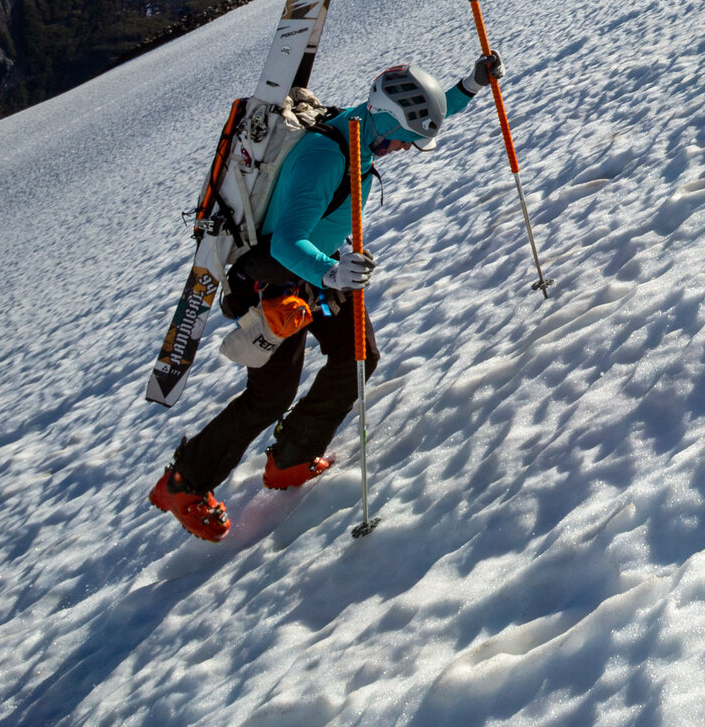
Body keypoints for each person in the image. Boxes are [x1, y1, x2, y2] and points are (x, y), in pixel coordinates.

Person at [148, 51, 500, 540]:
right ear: (384, 120)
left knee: (359, 354)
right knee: (268, 398)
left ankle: (290, 458)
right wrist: (333, 273)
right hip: (282, 282)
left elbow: (420, 118)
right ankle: (183, 484)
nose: (403, 149)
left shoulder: (362, 131)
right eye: (404, 139)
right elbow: (287, 242)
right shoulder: (323, 157)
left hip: (324, 273)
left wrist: (470, 85)